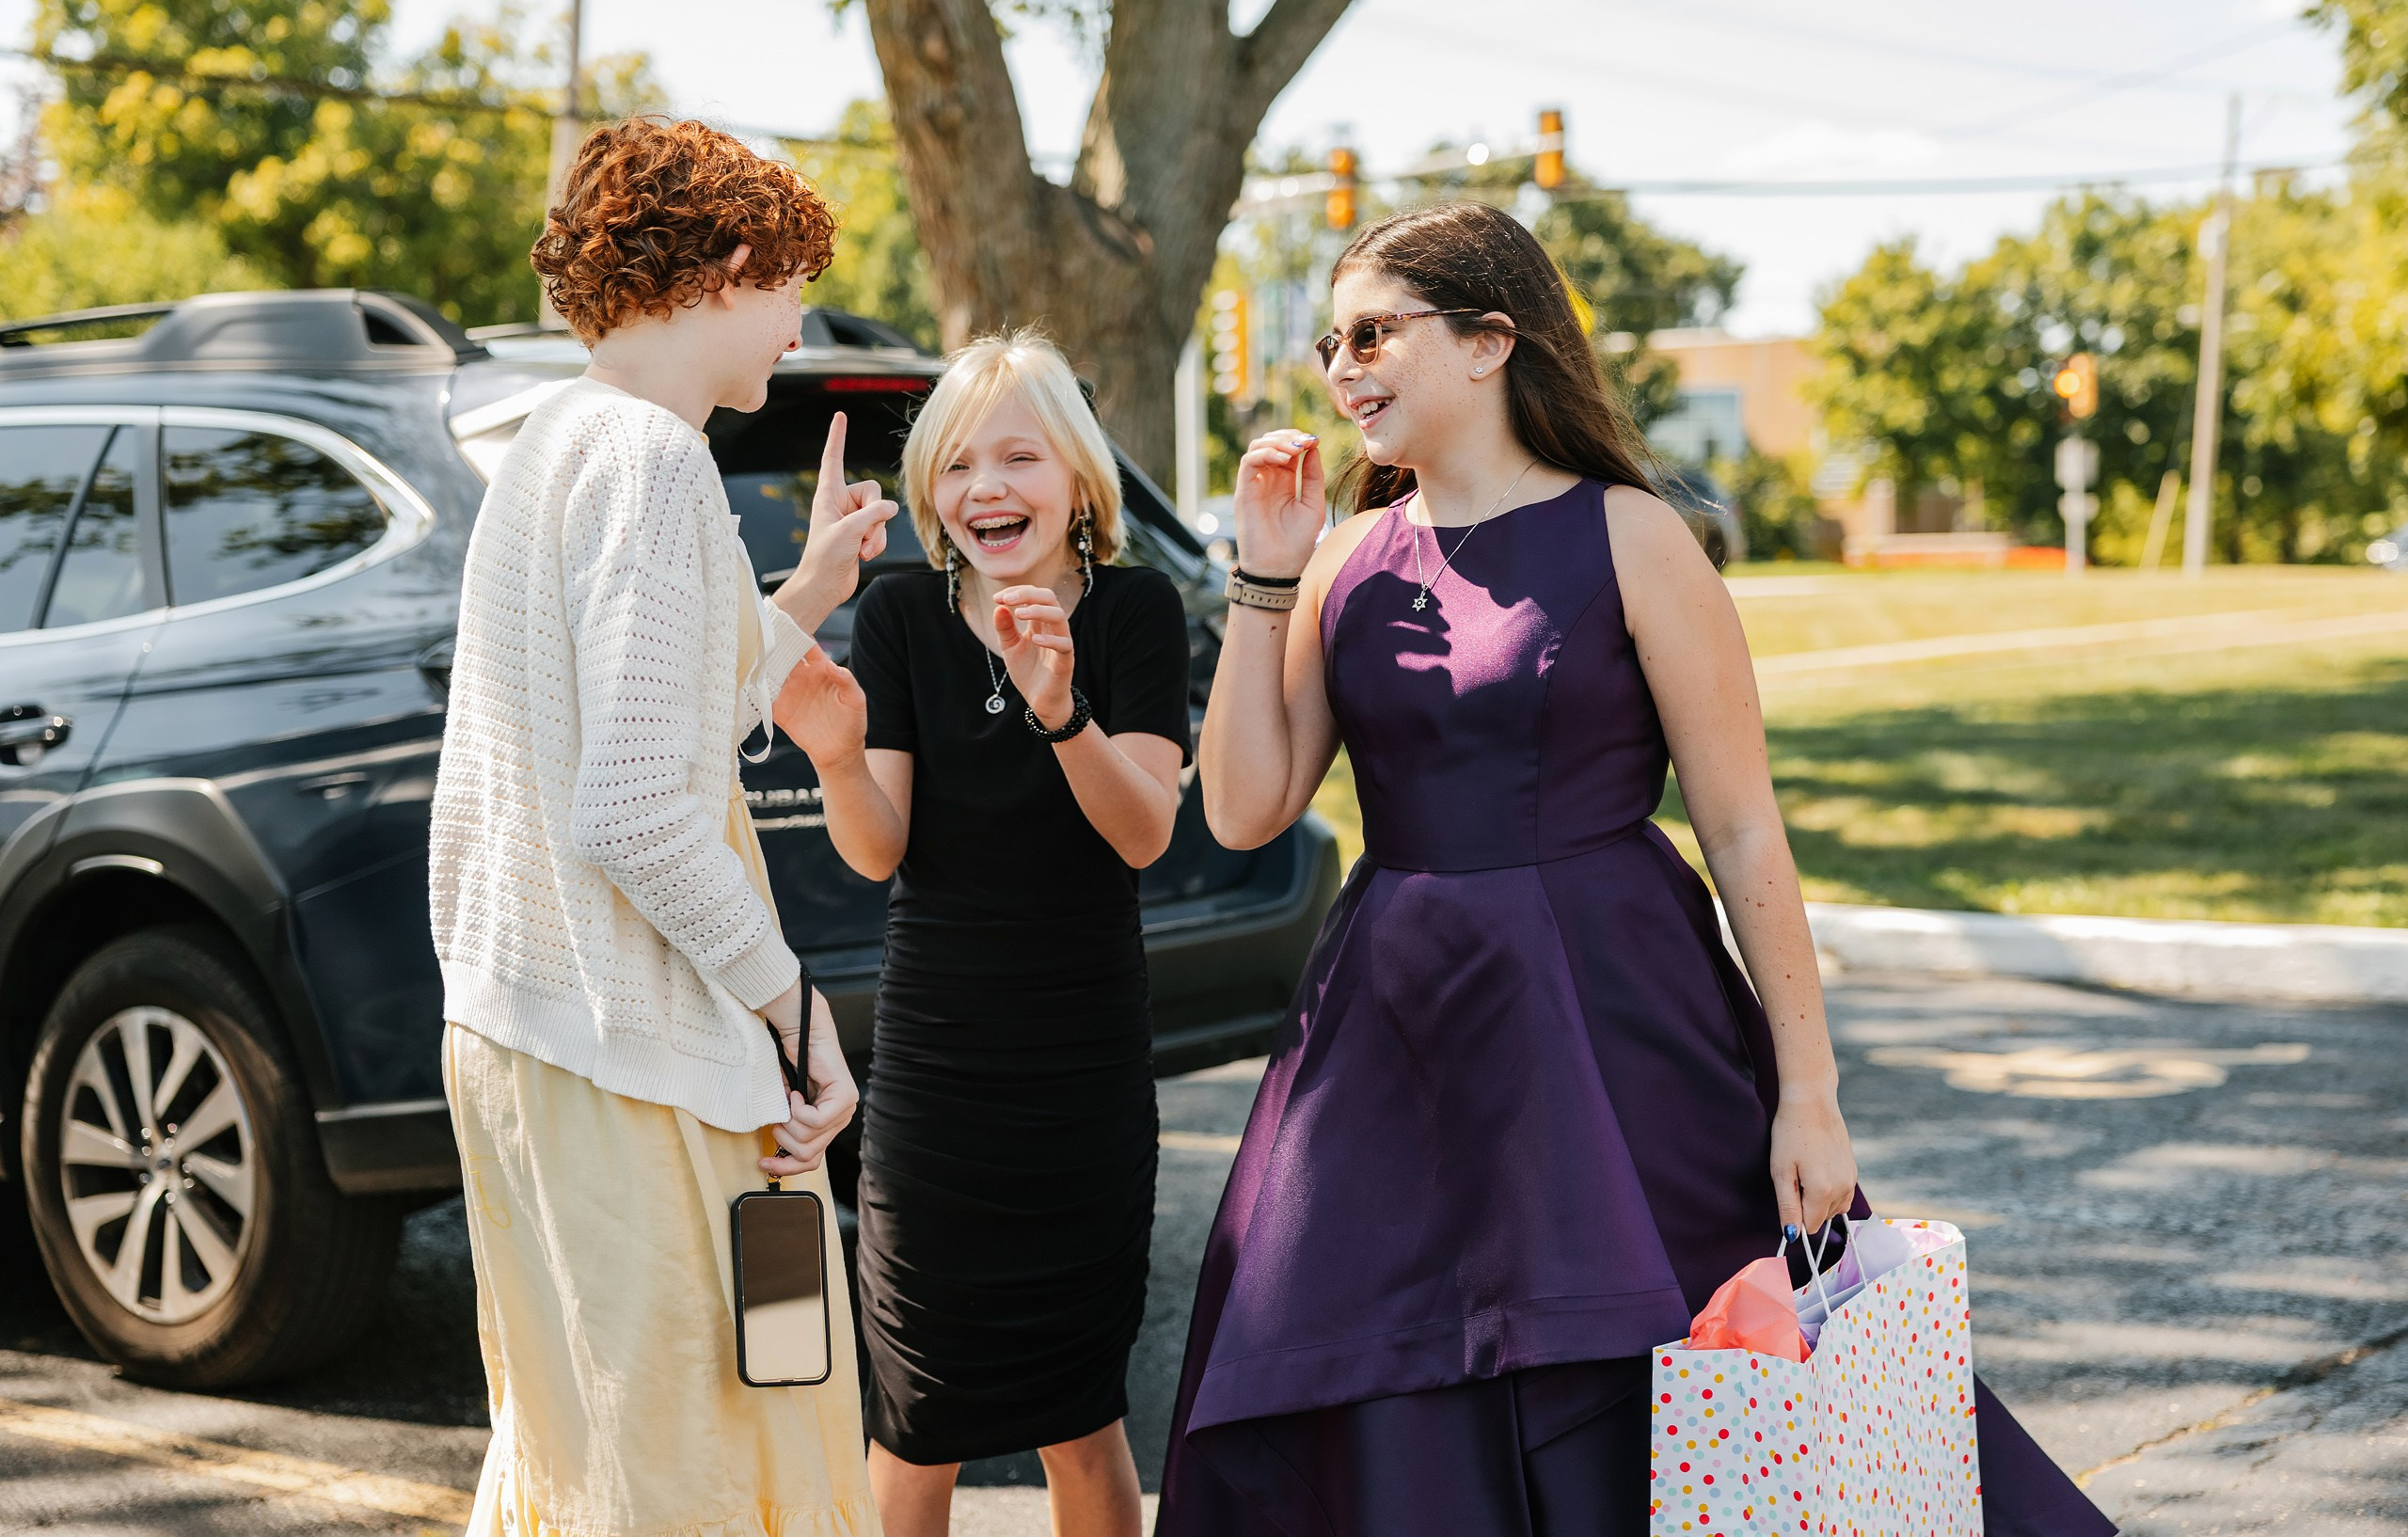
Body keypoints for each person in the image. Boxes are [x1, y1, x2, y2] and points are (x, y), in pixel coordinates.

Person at [1157, 201, 2115, 1536]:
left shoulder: (1630, 534)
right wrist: (1265, 578)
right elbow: (1250, 807)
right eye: (1332, 339)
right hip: (1394, 1042)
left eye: (1376, 331)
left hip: (1616, 1021)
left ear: (1492, 340)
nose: (1342, 365)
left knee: (1671, 1372)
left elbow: (1742, 831)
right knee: (1386, 1382)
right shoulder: (1341, 565)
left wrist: (1811, 1091)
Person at [430, 117, 897, 1537]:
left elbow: (645, 713)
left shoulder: (555, 441)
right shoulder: (651, 457)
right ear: (731, 260)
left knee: (579, 1457)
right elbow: (638, 802)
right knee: (691, 1470)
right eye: (789, 283)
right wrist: (798, 1013)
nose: (795, 316)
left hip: (528, 1031)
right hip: (626, 1045)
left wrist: (806, 590)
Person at [772, 331, 1190, 1537]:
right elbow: (877, 848)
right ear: (928, 496)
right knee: (914, 1418)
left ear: (1077, 478)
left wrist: (1063, 712)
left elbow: (1145, 833)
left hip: (1081, 1072)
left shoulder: (1135, 610)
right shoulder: (902, 616)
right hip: (938, 1079)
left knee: (1081, 1416)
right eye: (957, 466)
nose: (986, 490)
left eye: (1018, 457)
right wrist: (838, 755)